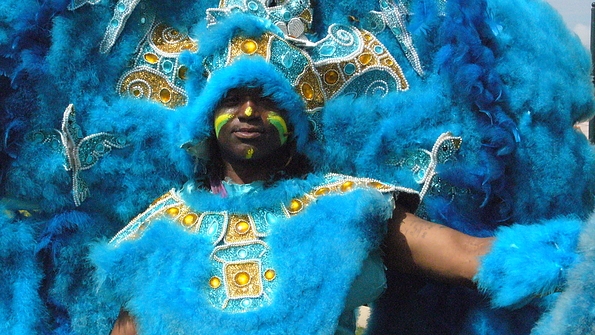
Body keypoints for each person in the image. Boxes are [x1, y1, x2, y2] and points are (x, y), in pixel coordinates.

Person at [98, 57, 493, 335]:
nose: (249, 112)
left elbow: (464, 254)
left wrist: (551, 253)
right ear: (207, 118)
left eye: (269, 99)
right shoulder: (156, 232)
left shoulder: (346, 208)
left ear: (294, 122)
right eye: (232, 99)